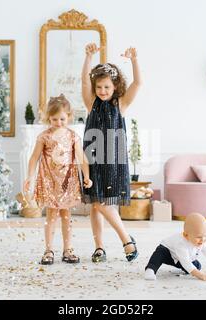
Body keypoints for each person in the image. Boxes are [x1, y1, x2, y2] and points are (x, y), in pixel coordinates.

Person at [81, 43, 142, 262]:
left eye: (107, 87)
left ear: (115, 86)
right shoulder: (91, 104)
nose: (103, 91)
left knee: (103, 204)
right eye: (99, 87)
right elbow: (83, 82)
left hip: (113, 161)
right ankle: (100, 247)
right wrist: (88, 57)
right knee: (95, 205)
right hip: (92, 160)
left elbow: (138, 83)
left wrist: (134, 60)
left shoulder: (121, 104)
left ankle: (126, 239)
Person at [23, 94, 92, 265]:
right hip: (49, 181)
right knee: (51, 216)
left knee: (66, 216)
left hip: (67, 182)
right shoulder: (44, 136)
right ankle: (48, 250)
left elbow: (81, 157)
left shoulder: (72, 136)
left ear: (69, 116)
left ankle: (68, 249)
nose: (59, 122)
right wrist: (30, 177)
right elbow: (34, 158)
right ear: (48, 118)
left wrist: (87, 176)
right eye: (54, 119)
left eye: (62, 119)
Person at [144, 212, 206, 281]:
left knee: (197, 266)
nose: (203, 240)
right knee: (158, 255)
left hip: (180, 258)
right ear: (186, 235)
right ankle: (150, 270)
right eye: (199, 237)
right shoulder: (181, 243)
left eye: (205, 236)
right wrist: (199, 275)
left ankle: (191, 269)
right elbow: (185, 261)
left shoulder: (203, 241)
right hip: (168, 251)